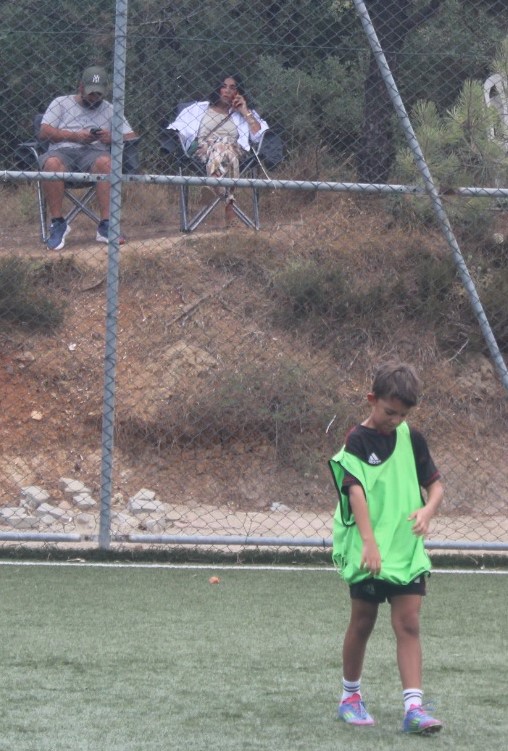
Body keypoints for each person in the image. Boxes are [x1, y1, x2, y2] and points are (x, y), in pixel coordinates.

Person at [329, 361, 444, 735]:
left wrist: (427, 510)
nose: (395, 420)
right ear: (371, 399)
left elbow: (435, 485)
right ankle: (350, 698)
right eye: (389, 412)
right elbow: (356, 492)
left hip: (404, 548)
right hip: (370, 550)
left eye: (403, 415)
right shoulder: (357, 440)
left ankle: (414, 709)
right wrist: (369, 543)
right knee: (363, 621)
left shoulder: (413, 438)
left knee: (408, 622)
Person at [39, 65, 138, 250]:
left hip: (94, 154)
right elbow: (44, 132)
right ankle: (58, 223)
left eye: (98, 94)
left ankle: (106, 226)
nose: (94, 98)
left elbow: (132, 136)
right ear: (81, 87)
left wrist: (113, 137)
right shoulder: (61, 103)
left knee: (107, 162)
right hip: (63, 151)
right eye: (91, 93)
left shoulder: (110, 109)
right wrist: (76, 136)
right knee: (51, 163)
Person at [166, 74, 268, 224]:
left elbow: (258, 135)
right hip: (204, 150)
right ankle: (229, 207)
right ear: (217, 89)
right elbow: (177, 128)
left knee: (226, 147)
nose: (227, 91)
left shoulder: (243, 114)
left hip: (235, 149)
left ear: (238, 92)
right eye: (223, 87)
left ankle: (213, 184)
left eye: (232, 88)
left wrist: (244, 111)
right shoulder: (199, 109)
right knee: (223, 148)